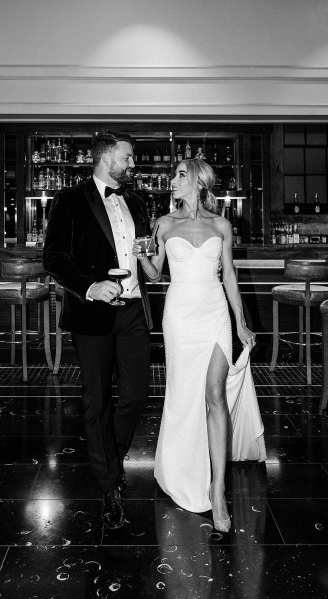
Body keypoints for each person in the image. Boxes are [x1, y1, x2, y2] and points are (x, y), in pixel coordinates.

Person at [133, 158, 266, 533]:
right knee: (183, 394)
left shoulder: (221, 225)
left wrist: (240, 323)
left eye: (178, 175)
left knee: (214, 394)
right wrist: (142, 253)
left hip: (214, 313)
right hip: (178, 314)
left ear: (196, 180)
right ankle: (180, 466)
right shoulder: (163, 223)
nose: (171, 181)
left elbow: (230, 278)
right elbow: (156, 274)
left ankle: (218, 489)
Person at [43, 131, 153, 530]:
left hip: (135, 311)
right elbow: (53, 257)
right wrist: (89, 286)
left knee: (137, 394)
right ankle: (109, 486)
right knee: (96, 401)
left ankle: (113, 456)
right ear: (107, 157)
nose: (133, 164)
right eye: (128, 157)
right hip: (92, 313)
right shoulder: (70, 200)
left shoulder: (137, 202)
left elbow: (146, 255)